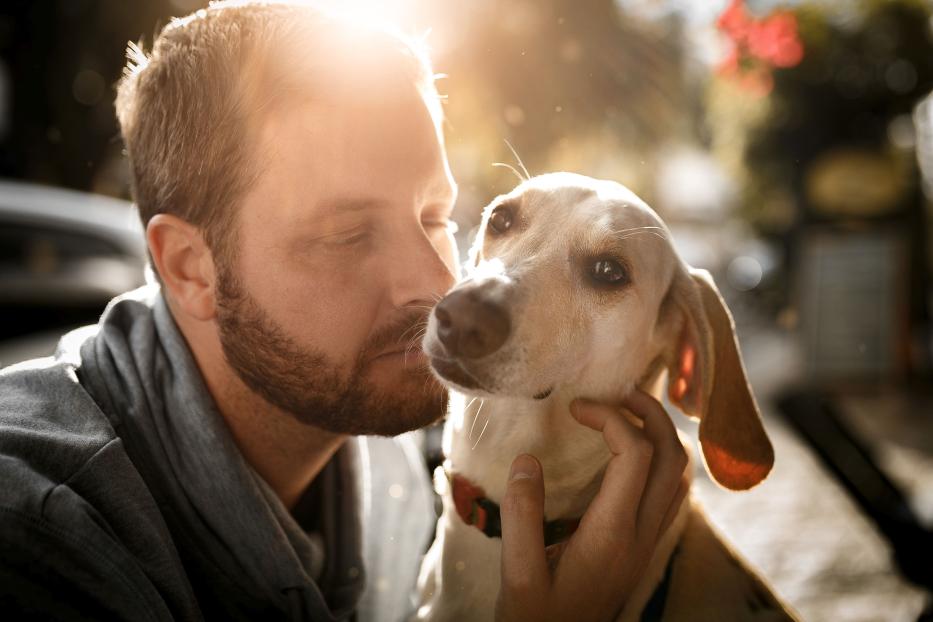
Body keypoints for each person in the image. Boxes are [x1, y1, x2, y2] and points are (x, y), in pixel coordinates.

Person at [0, 2, 687, 620]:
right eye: (348, 235)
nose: (438, 285)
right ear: (189, 268)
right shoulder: (37, 533)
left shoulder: (387, 459)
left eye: (435, 215)